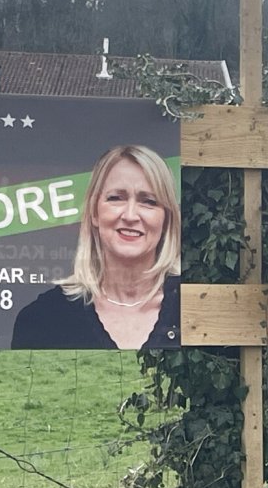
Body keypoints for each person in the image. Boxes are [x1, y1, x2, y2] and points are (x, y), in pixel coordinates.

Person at [11, 144, 180, 349]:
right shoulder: (42, 318)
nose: (130, 215)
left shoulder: (194, 306)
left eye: (149, 201)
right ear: (94, 213)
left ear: (166, 219)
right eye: (116, 198)